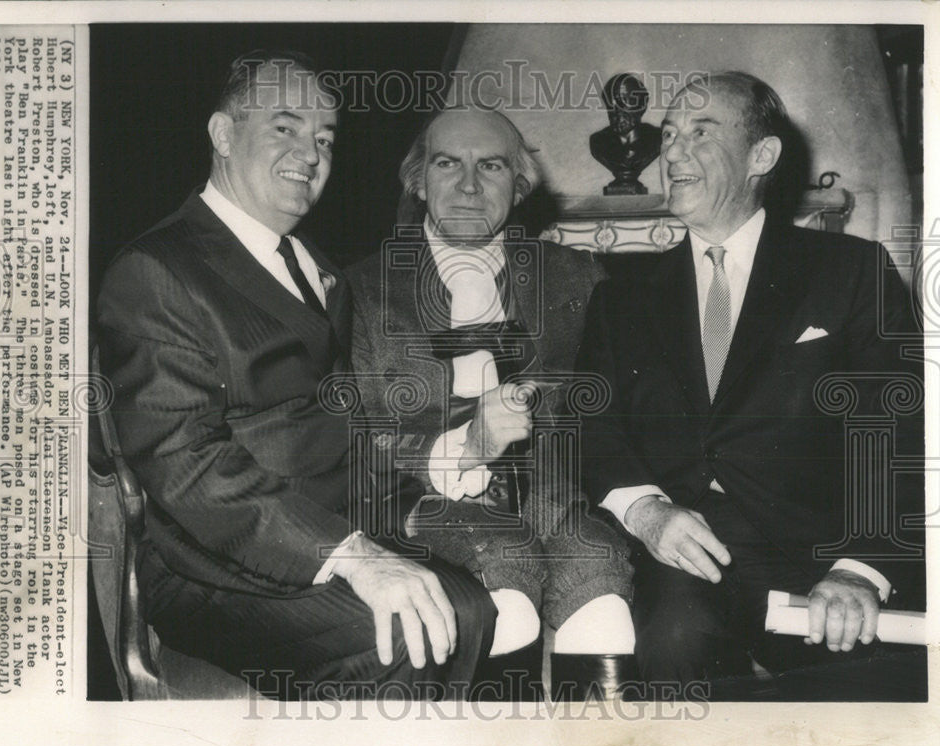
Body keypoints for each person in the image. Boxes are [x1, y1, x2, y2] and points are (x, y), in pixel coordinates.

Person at [95, 50, 496, 701]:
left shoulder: (318, 268)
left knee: (475, 605)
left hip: (325, 528)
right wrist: (356, 554)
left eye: (325, 139)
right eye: (286, 127)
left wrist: (418, 512)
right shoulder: (156, 270)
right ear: (223, 134)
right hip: (212, 564)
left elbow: (336, 434)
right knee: (401, 633)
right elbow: (186, 465)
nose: (310, 153)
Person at [577, 71, 924, 700]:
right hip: (686, 553)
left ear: (762, 155)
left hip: (821, 552)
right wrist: (647, 511)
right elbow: (592, 428)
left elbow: (899, 430)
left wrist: (861, 568)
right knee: (672, 645)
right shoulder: (619, 297)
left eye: (701, 133)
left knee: (877, 711)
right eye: (671, 134)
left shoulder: (851, 271)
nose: (673, 152)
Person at [347, 107, 637, 700]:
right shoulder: (357, 289)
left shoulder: (577, 279)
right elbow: (355, 438)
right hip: (419, 505)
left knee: (599, 561)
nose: (470, 185)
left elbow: (616, 413)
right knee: (506, 558)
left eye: (492, 166)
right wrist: (464, 445)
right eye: (448, 164)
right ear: (418, 180)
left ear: (520, 184)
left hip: (551, 498)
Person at [589, 73, 661, 195]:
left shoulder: (656, 138)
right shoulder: (598, 142)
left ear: (642, 104)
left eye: (624, 100)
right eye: (610, 103)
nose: (616, 110)